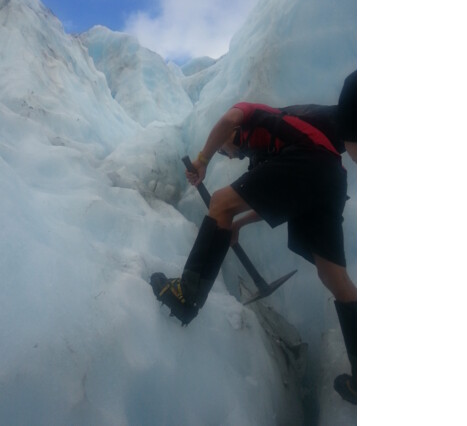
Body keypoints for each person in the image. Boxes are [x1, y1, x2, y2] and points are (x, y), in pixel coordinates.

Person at [150, 70, 358, 404]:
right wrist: (238, 225)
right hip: (329, 179)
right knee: (335, 278)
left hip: (311, 161)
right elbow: (276, 198)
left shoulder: (252, 116)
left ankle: (186, 296)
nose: (228, 155)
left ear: (234, 134)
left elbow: (225, 120)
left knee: (219, 201)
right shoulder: (267, 156)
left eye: (227, 150)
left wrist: (203, 160)